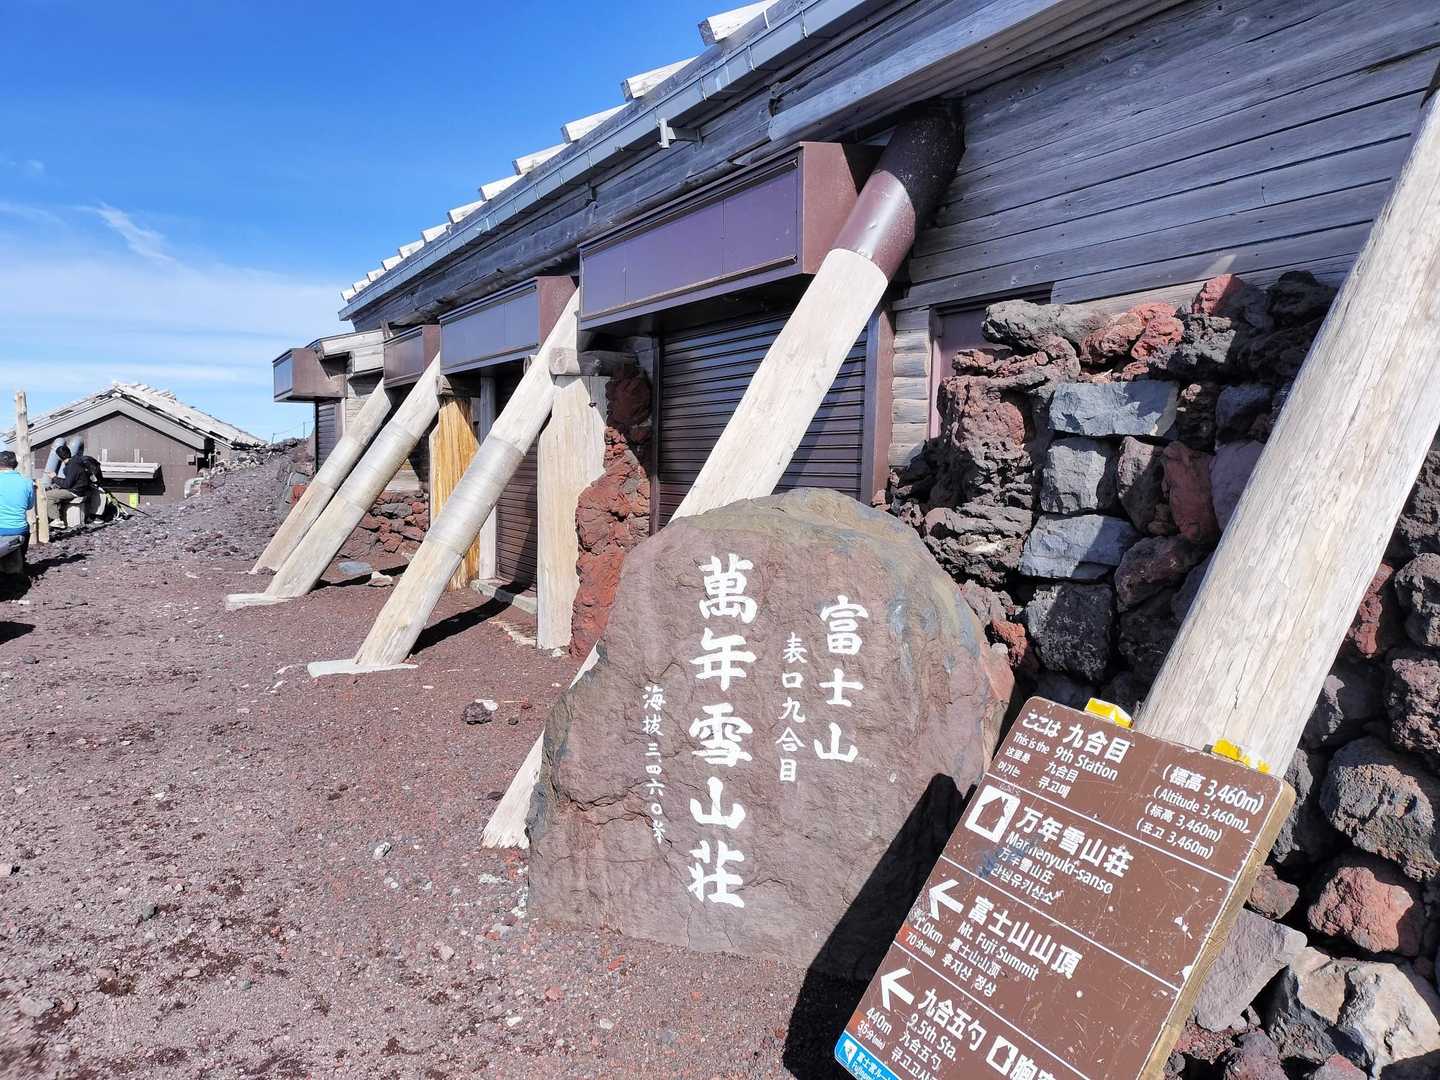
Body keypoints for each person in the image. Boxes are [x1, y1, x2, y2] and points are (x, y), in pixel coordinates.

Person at [0, 450, 36, 566]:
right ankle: (21, 559)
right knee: (25, 528)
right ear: (15, 464)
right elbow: (29, 506)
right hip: (19, 529)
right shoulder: (27, 482)